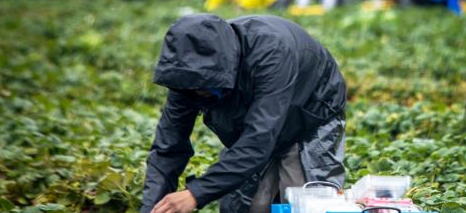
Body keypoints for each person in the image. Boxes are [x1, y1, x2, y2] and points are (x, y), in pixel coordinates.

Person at [141, 14, 347, 213]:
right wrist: (151, 208)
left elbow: (259, 139)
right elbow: (168, 149)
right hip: (256, 120)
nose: (197, 93)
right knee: (247, 205)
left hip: (309, 113)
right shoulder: (186, 79)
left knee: (304, 201)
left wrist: (195, 194)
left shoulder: (271, 53)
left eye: (204, 86)